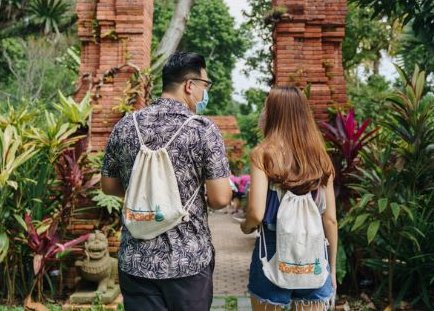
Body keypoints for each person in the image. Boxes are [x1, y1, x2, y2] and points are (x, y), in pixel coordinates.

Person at [101, 51, 232, 311]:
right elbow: (220, 199)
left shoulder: (126, 125)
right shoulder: (203, 130)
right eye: (204, 85)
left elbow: (109, 186)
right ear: (189, 85)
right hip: (188, 261)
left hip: (136, 260)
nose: (204, 93)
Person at [240, 86, 338, 311]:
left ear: (274, 113)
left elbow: (255, 213)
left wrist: (246, 228)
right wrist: (331, 269)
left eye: (266, 107)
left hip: (273, 250)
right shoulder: (321, 160)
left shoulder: (263, 155)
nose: (262, 112)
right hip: (314, 256)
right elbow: (330, 220)